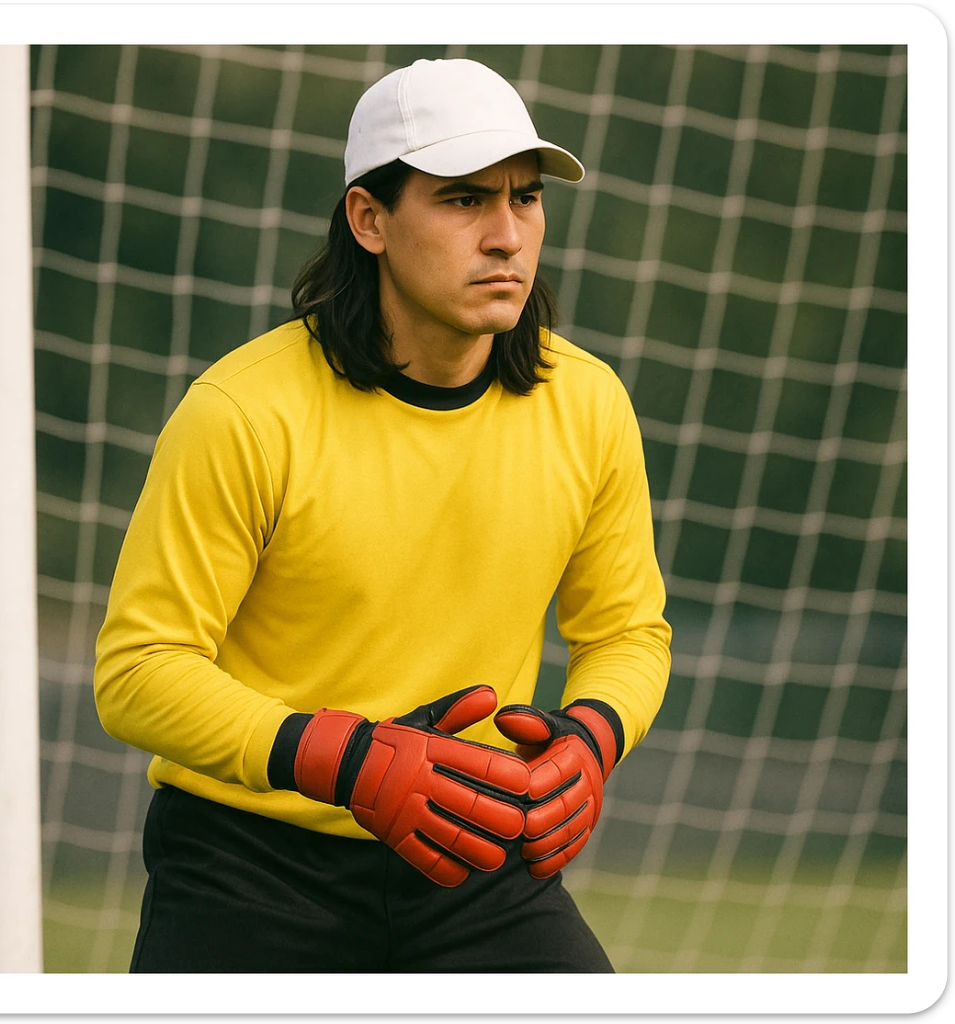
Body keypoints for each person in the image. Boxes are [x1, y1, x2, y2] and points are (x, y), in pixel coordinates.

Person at [94, 56, 672, 974]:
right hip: (248, 870)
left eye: (525, 198)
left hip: (477, 863)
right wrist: (344, 758)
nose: (507, 235)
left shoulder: (589, 403)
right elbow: (138, 671)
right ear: (369, 219)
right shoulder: (243, 412)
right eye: (461, 200)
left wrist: (591, 739)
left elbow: (630, 632)